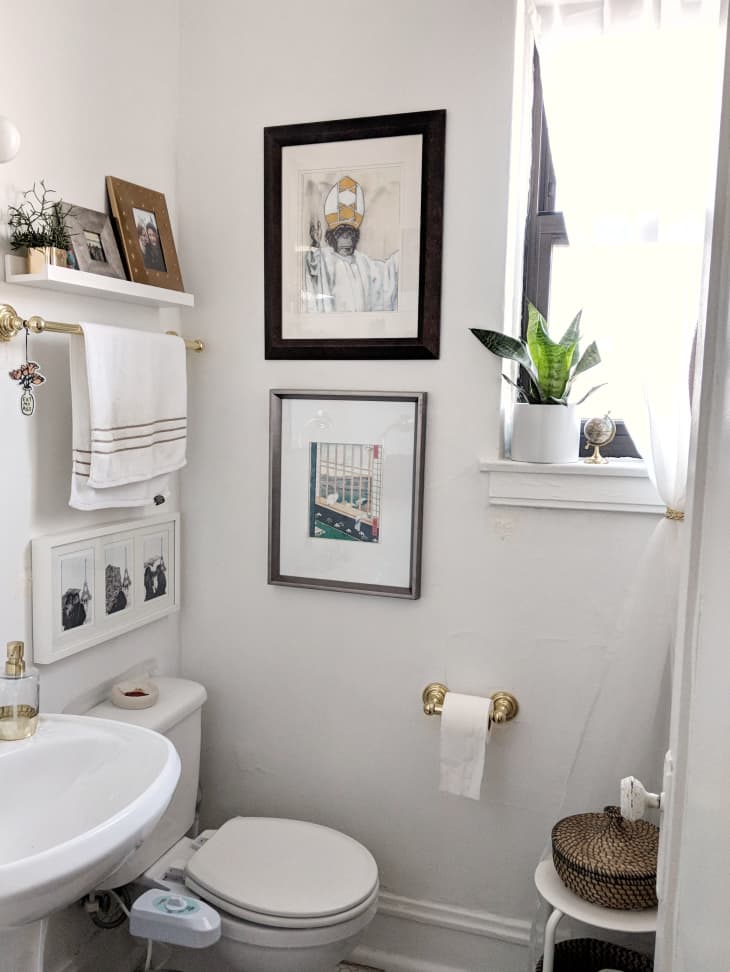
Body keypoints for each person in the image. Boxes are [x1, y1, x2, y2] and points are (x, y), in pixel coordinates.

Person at [303, 175, 399, 313]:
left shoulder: (363, 261)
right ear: (332, 238)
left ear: (355, 237)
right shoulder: (325, 257)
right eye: (341, 234)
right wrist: (315, 243)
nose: (346, 240)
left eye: (349, 234)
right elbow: (313, 266)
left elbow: (386, 276)